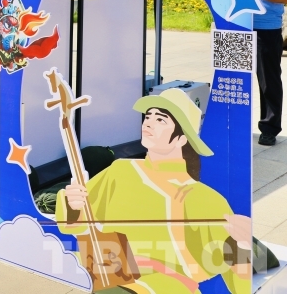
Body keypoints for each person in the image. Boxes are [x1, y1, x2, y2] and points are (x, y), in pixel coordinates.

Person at [57, 88, 251, 293]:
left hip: (165, 285)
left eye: (161, 120)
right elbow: (76, 223)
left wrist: (243, 244)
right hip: (108, 271)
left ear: (182, 138)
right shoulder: (121, 170)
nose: (148, 123)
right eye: (148, 117)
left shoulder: (205, 198)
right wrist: (74, 205)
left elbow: (238, 276)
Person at [252, 0, 287, 146]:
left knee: (268, 81)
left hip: (267, 30)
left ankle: (269, 128)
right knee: (233, 78)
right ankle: (233, 124)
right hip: (239, 27)